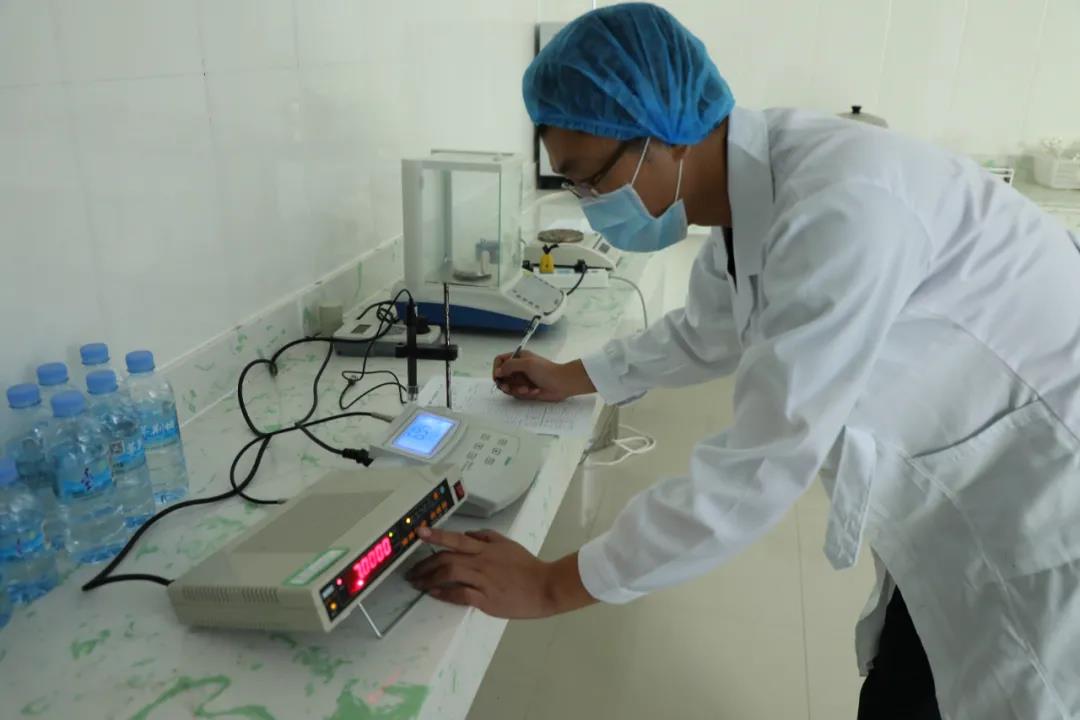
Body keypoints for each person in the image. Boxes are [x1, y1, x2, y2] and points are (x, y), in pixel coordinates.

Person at [406, 4, 1080, 718]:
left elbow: (763, 463)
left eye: (587, 178)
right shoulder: (750, 189)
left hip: (1043, 494)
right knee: (917, 677)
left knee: (1002, 681)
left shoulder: (840, 207)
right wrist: (574, 377)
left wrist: (551, 585)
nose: (587, 202)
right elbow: (711, 329)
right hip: (969, 492)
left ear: (661, 137)